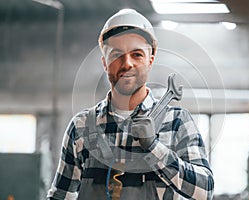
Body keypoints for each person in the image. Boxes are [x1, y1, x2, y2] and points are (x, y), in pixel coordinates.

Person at [47, 9, 214, 200]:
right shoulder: (81, 126)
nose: (127, 63)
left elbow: (204, 191)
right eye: (117, 54)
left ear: (150, 61)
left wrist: (154, 147)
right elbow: (60, 196)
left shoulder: (176, 121)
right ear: (105, 62)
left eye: (137, 55)